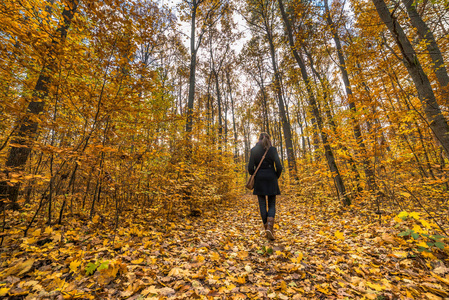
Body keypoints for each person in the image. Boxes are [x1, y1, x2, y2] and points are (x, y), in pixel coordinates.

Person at [248, 132, 283, 240]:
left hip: (259, 179)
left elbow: (250, 168)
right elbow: (279, 166)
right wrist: (275, 176)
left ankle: (266, 228)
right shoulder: (272, 150)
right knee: (272, 204)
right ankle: (269, 228)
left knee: (262, 204)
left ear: (259, 139)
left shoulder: (254, 150)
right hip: (271, 177)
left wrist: (256, 174)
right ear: (268, 139)